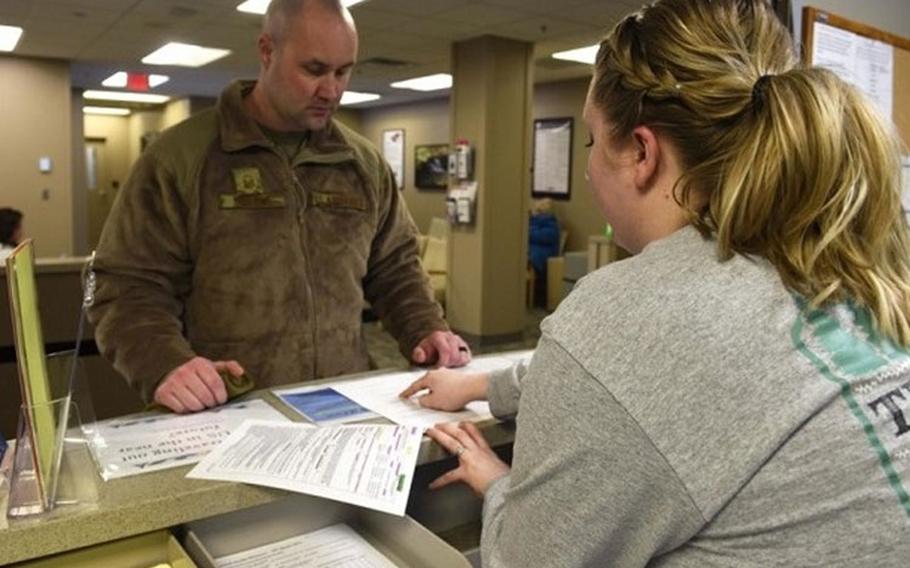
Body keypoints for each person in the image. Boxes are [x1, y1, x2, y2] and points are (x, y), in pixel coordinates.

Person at [400, 0, 910, 564]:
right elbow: (641, 370)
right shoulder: (836, 266)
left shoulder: (624, 312)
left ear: (642, 153)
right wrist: (476, 386)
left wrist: (498, 483)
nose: (590, 167)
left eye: (592, 142)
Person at [88, 0, 471, 415]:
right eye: (314, 70)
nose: (332, 90)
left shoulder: (361, 163)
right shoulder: (181, 158)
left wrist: (425, 327)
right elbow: (124, 287)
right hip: (228, 408)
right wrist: (163, 363)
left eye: (343, 71)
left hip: (343, 402)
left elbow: (394, 266)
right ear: (267, 51)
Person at [527, 198, 560, 306]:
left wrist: (530, 232)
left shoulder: (551, 224)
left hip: (545, 253)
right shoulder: (532, 223)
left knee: (533, 257)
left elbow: (545, 237)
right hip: (534, 249)